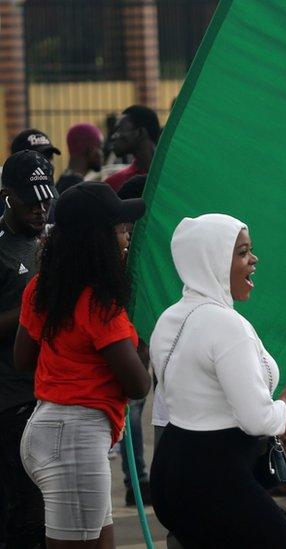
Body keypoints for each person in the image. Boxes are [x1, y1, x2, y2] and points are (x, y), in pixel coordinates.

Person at [149, 214, 286, 548]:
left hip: (173, 466)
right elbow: (255, 420)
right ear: (213, 261)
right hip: (214, 476)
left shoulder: (170, 317)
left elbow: (204, 400)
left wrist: (277, 421)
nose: (254, 260)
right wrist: (285, 406)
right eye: (242, 252)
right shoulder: (225, 325)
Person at [15, 181, 150, 547]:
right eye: (121, 230)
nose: (126, 239)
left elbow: (22, 358)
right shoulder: (101, 305)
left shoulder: (42, 287)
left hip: (46, 426)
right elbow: (138, 386)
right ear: (99, 240)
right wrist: (145, 338)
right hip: (75, 439)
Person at [0, 151, 55, 548]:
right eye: (30, 201)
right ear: (7, 197)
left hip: (50, 393)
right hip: (11, 399)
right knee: (25, 513)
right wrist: (32, 310)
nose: (40, 208)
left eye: (46, 199)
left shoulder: (48, 241)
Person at [104, 105, 160, 192]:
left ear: (140, 132)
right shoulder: (113, 184)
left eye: (120, 129)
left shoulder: (170, 176)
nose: (113, 136)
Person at [56, 123, 104, 194]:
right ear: (90, 149)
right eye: (100, 147)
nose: (102, 153)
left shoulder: (64, 182)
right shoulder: (79, 190)